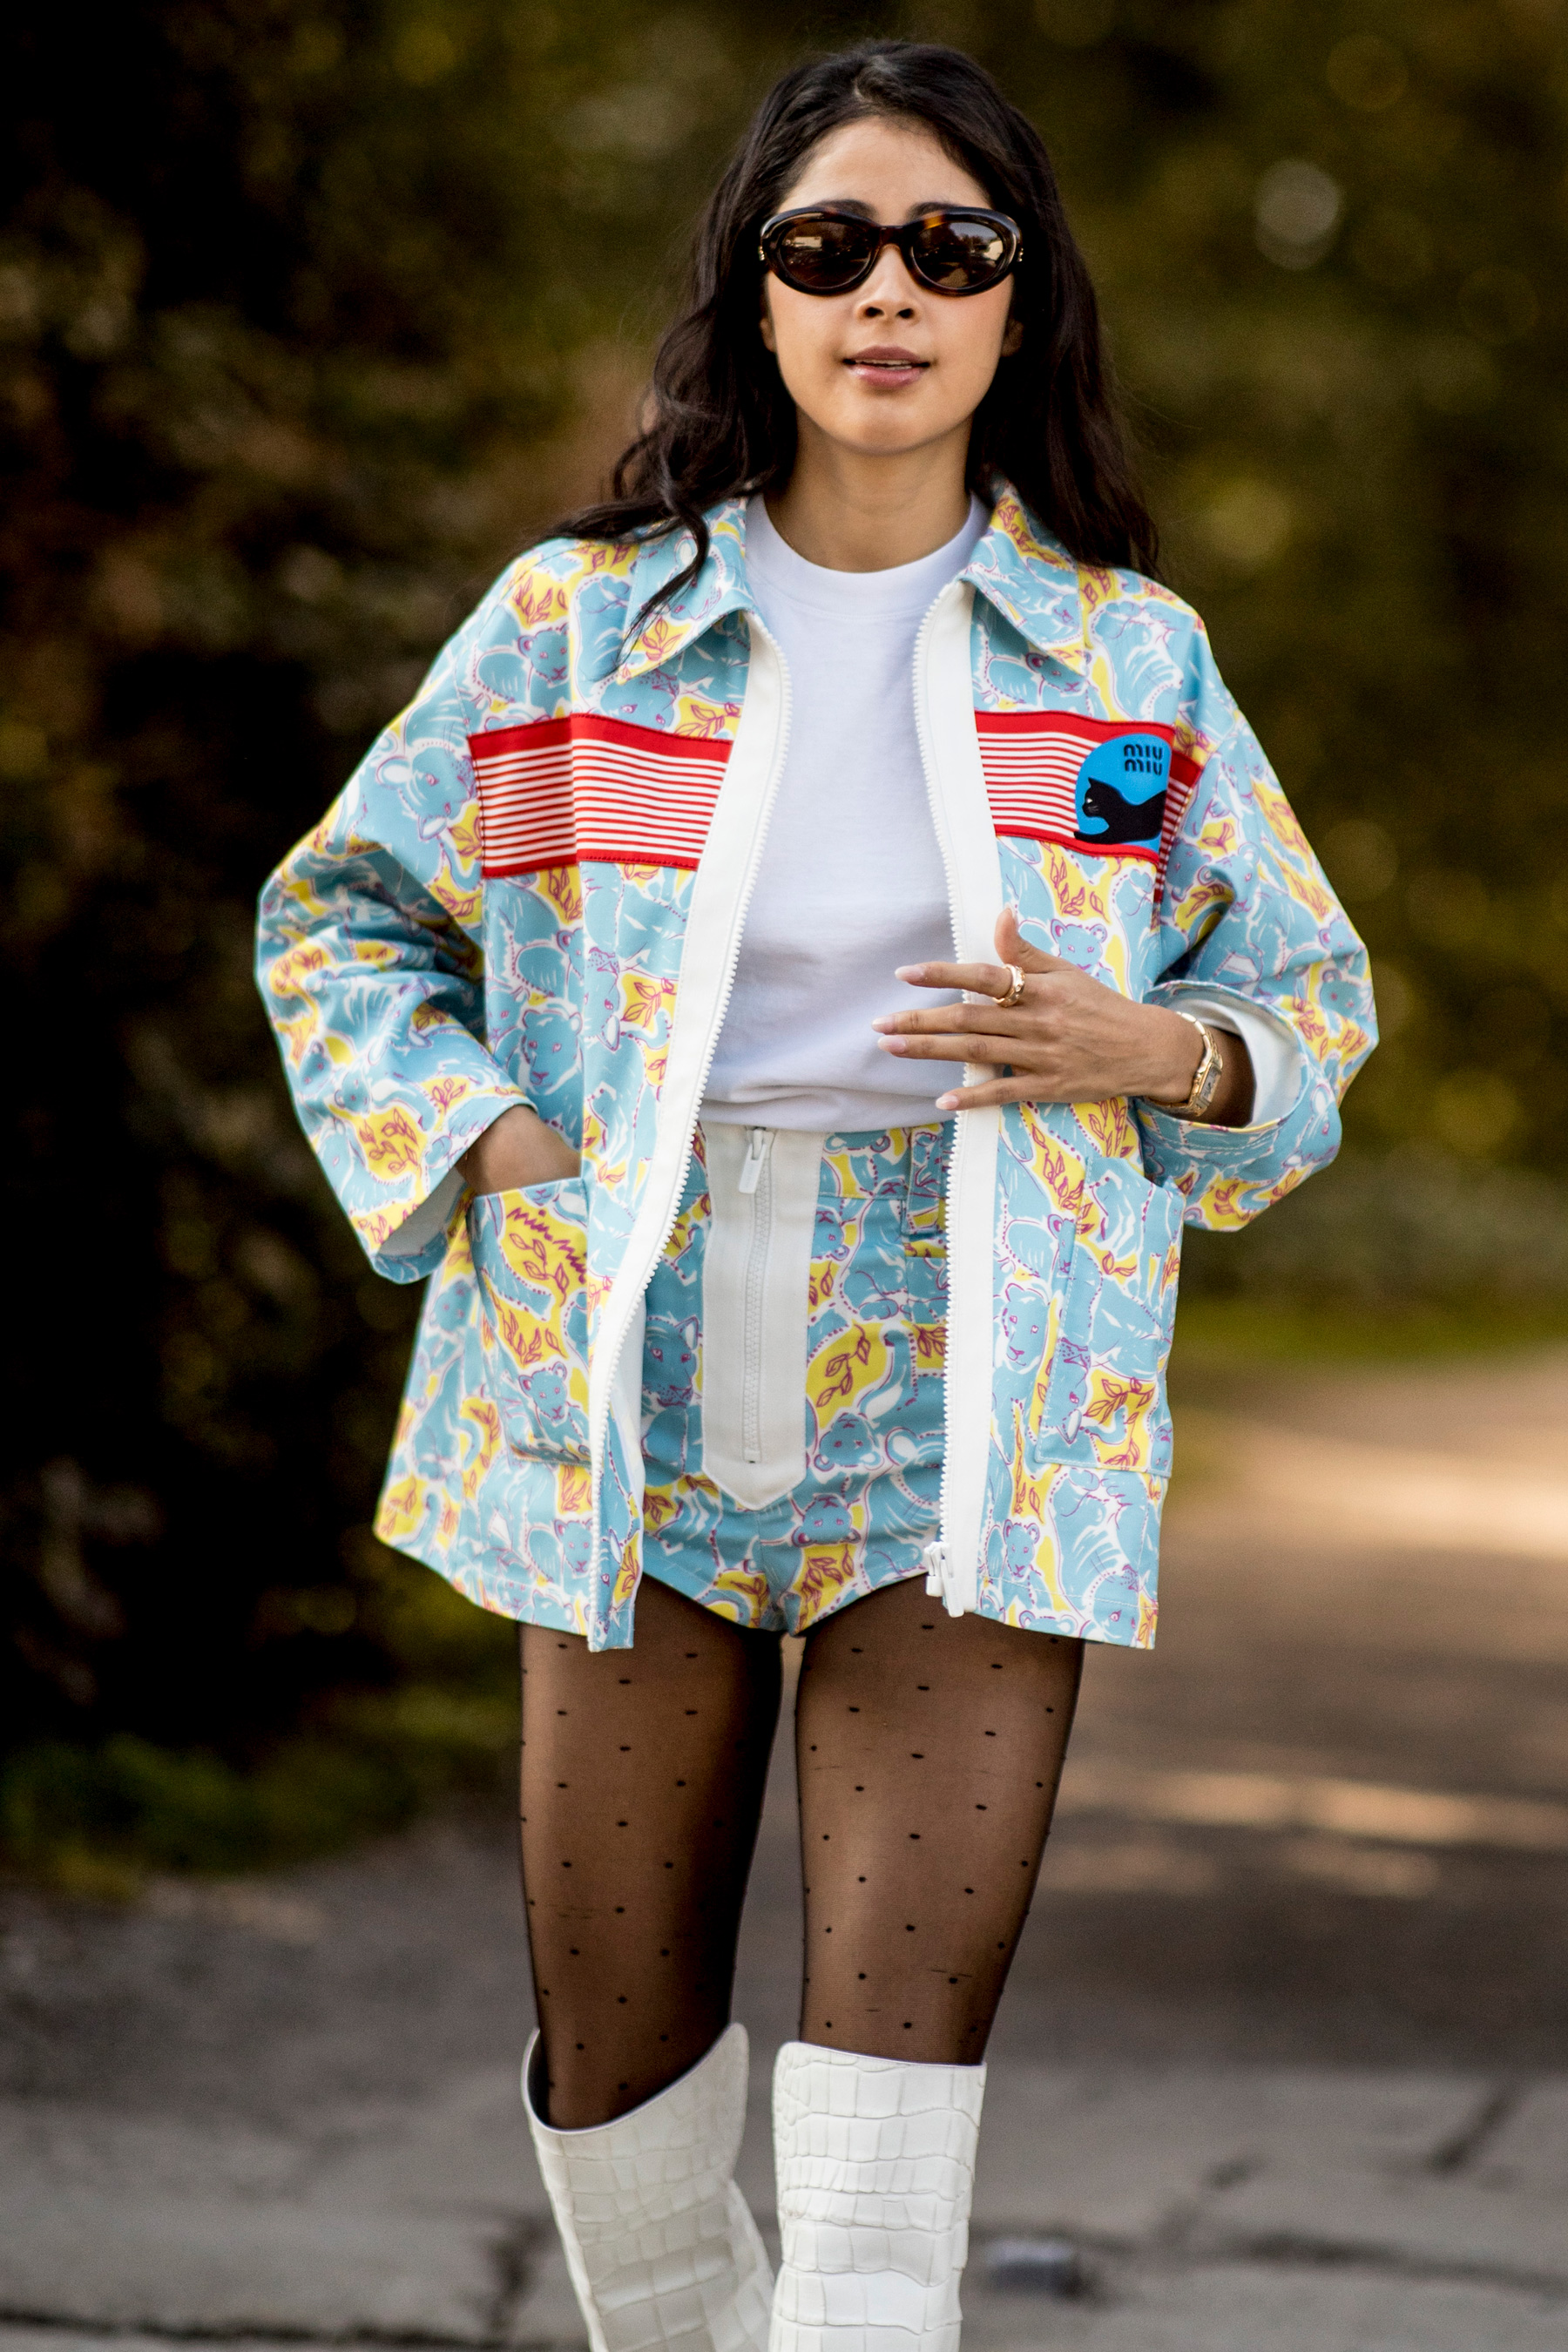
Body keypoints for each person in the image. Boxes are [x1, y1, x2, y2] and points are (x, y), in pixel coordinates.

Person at [257, 37, 1375, 2352]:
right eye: (829, 243)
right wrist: (484, 1134)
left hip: (978, 1390)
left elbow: (1307, 1003)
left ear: (1018, 303)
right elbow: (341, 919)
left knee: (883, 2149)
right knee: (619, 2084)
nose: (888, 291)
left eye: (950, 248)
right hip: (618, 1379)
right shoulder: (576, 628)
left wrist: (1165, 1048)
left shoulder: (1126, 657)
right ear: (756, 293)